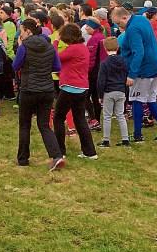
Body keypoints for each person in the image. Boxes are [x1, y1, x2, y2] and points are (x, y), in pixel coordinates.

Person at [111, 6, 157, 143]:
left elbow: (139, 52)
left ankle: (138, 135)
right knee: (151, 98)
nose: (120, 27)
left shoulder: (132, 29)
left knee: (137, 99)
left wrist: (132, 74)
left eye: (119, 23)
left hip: (144, 69)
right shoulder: (141, 20)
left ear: (125, 17)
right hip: (156, 65)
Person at [13, 18, 64, 169]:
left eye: (21, 31)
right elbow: (57, 66)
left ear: (28, 31)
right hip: (47, 89)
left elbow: (15, 66)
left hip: (29, 89)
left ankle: (23, 158)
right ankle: (56, 155)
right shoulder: (49, 46)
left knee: (25, 125)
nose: (20, 34)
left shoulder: (24, 47)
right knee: (44, 125)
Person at [53, 23, 98, 160]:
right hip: (82, 88)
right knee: (80, 119)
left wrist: (55, 42)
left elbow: (56, 58)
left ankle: (60, 151)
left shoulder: (73, 49)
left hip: (70, 88)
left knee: (58, 118)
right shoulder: (82, 48)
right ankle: (89, 152)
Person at [96, 37, 130, 147]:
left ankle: (106, 140)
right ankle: (125, 139)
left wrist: (100, 95)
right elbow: (126, 76)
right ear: (118, 47)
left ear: (105, 48)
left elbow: (101, 81)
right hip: (121, 91)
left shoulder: (104, 63)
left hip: (109, 91)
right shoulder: (124, 61)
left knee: (107, 116)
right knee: (120, 115)